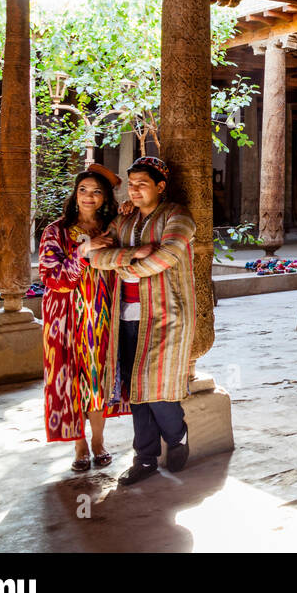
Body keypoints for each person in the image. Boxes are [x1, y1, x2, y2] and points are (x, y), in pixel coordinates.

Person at [86, 156, 197, 486]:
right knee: (136, 391)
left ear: (160, 187)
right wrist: (133, 253)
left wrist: (120, 266)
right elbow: (94, 256)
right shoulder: (124, 222)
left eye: (141, 184)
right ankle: (145, 459)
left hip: (168, 315)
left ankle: (177, 436)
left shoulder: (178, 216)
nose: (133, 191)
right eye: (130, 184)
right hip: (126, 317)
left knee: (157, 388)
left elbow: (165, 256)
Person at [39, 164, 129, 473]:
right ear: (75, 194)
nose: (88, 197)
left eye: (96, 192)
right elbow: (52, 278)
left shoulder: (113, 228)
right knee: (73, 381)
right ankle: (79, 444)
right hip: (67, 320)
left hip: (103, 317)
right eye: (83, 190)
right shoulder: (56, 231)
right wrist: (84, 251)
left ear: (106, 198)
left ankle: (99, 441)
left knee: (99, 380)